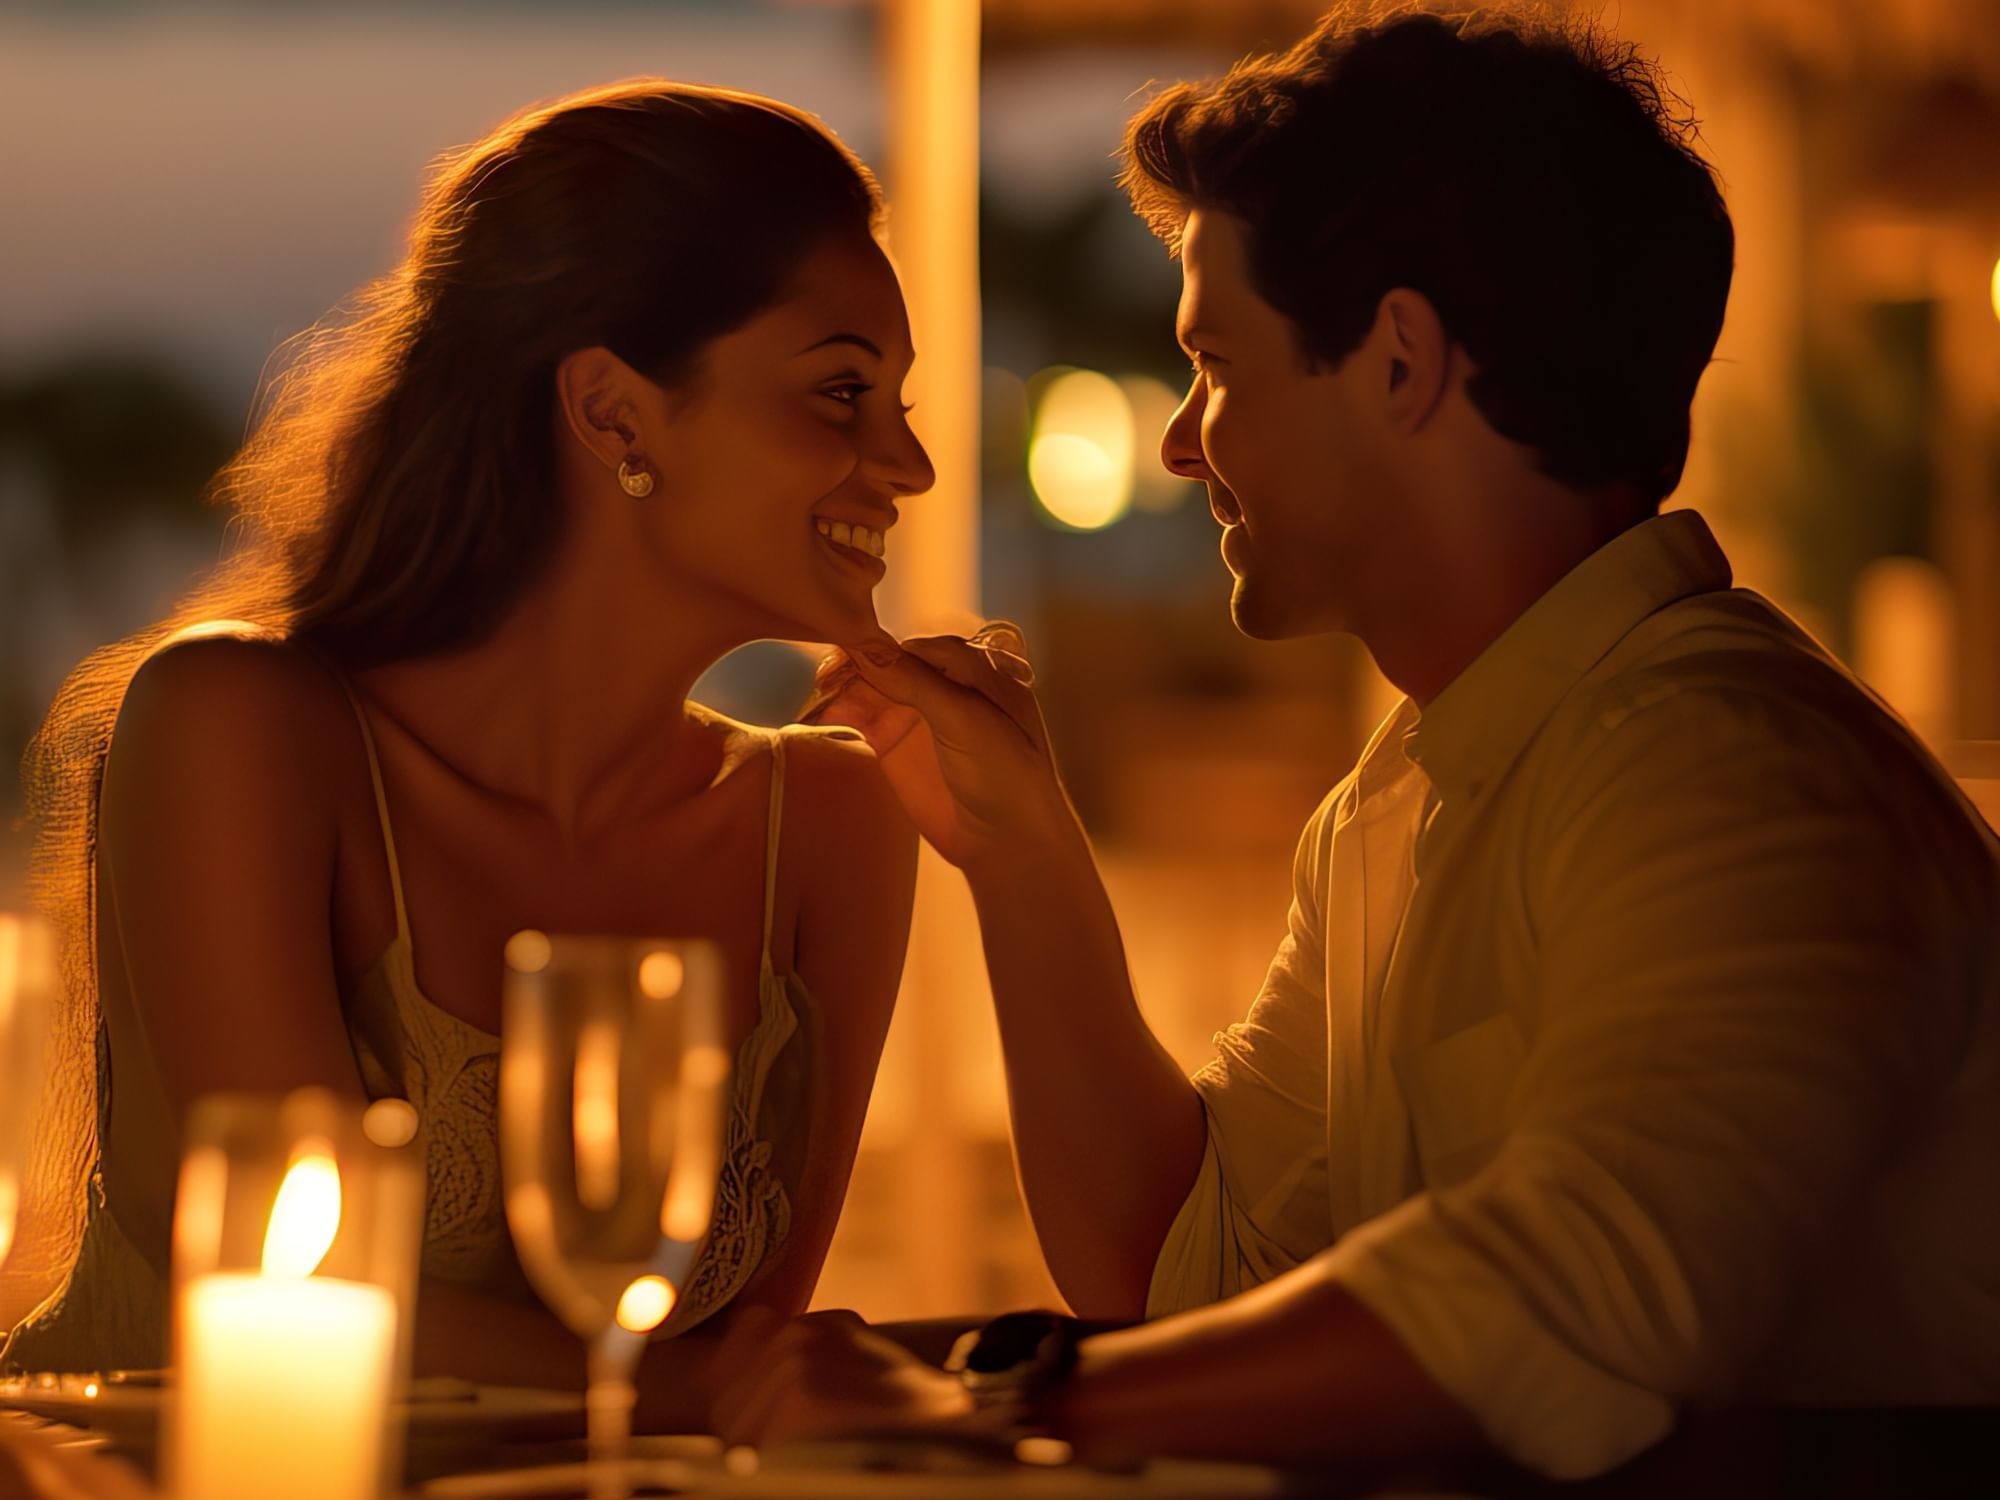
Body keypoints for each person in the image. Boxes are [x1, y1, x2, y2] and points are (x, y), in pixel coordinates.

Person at [718, 3, 2000, 1480]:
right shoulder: (1405, 796)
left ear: (1400, 362)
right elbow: (1178, 1278)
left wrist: (996, 1409)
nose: (1179, 443)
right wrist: (1022, 853)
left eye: (1217, 363)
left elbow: (1575, 1300)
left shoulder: (1739, 777)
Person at [3, 80, 930, 1428]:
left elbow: (764, 1376)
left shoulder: (831, 821)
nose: (907, 463)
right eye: (844, 390)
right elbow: (276, 1276)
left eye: (900, 399)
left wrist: (1028, 859)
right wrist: (692, 1387)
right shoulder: (243, 729)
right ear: (614, 415)